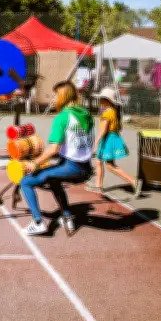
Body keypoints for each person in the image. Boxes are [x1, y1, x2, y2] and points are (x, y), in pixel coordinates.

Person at [20, 81, 95, 235]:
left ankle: (38, 222)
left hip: (71, 167)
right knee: (54, 180)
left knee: (26, 181)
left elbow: (54, 149)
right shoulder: (87, 114)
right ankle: (67, 216)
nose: (53, 98)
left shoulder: (62, 117)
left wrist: (34, 163)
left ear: (63, 96)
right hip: (86, 168)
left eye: (55, 95)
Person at [90, 87, 135, 192]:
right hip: (112, 137)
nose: (100, 100)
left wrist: (96, 142)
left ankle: (133, 181)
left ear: (107, 100)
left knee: (109, 165)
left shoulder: (107, 113)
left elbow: (104, 130)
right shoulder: (113, 111)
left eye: (102, 98)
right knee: (99, 161)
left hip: (108, 139)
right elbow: (118, 128)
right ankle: (98, 185)